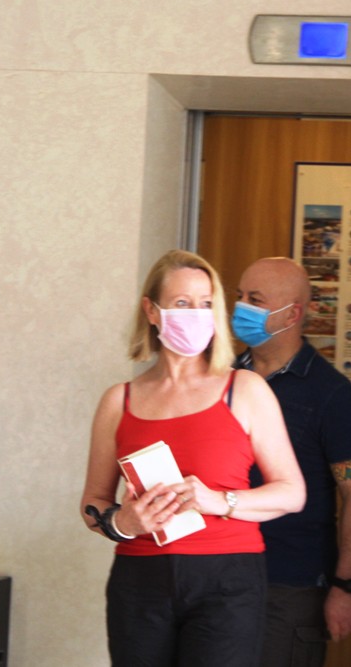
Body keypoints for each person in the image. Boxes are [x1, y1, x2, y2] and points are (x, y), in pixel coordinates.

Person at [80, 249, 306, 667]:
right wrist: (123, 523)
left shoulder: (245, 390)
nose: (196, 315)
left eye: (205, 304)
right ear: (152, 311)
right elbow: (92, 502)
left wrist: (218, 500)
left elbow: (292, 493)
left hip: (228, 582)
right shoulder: (118, 401)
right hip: (140, 581)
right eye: (182, 303)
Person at [231, 257, 351, 667]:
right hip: (217, 574)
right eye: (239, 296)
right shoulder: (221, 378)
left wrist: (346, 586)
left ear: (292, 314)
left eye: (255, 299)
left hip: (290, 585)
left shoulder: (331, 394)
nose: (240, 308)